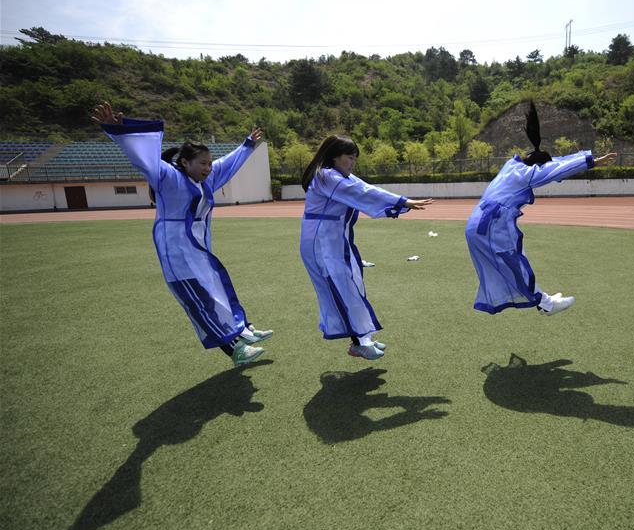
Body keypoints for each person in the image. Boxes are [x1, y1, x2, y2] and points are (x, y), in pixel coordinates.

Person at [91, 102, 273, 366]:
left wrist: (247, 144)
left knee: (217, 289)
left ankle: (243, 328)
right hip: (176, 252)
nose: (208, 168)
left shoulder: (206, 179)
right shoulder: (168, 178)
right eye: (202, 164)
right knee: (200, 301)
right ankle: (234, 348)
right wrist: (120, 131)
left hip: (198, 251)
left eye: (209, 163)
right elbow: (145, 159)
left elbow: (228, 164)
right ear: (185, 162)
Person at [465, 101, 616, 315]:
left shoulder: (511, 165)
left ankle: (541, 299)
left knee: (513, 259)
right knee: (514, 259)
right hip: (494, 223)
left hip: (475, 223)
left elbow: (553, 163)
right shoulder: (530, 174)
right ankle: (545, 303)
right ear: (539, 167)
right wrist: (592, 160)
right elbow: (556, 168)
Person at [299, 135, 432, 361]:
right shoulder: (327, 177)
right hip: (321, 243)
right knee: (343, 288)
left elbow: (365, 188)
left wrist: (400, 202)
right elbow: (364, 194)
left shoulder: (338, 176)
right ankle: (359, 341)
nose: (352, 163)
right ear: (335, 157)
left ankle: (364, 338)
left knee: (352, 284)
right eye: (349, 158)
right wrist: (400, 202)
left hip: (334, 241)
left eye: (355, 159)